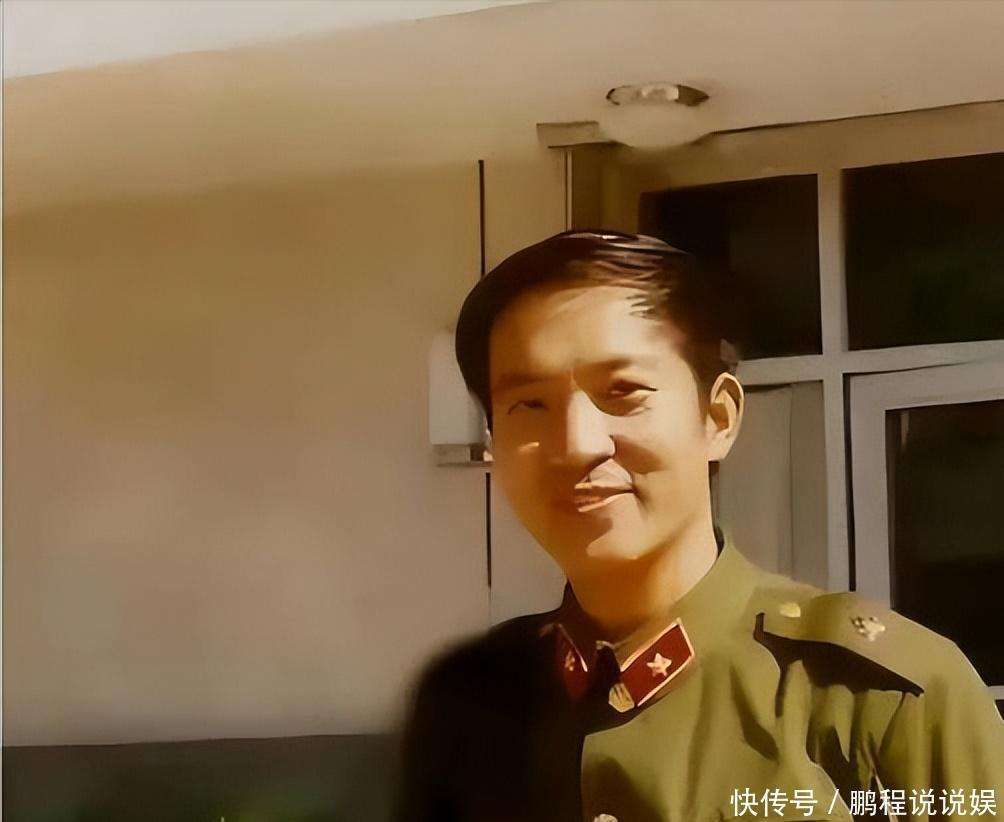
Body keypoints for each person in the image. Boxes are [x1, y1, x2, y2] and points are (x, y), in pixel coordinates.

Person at [393, 230, 1004, 822]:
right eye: (530, 404)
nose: (578, 444)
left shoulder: (881, 701)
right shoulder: (468, 710)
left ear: (718, 418)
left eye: (623, 391)